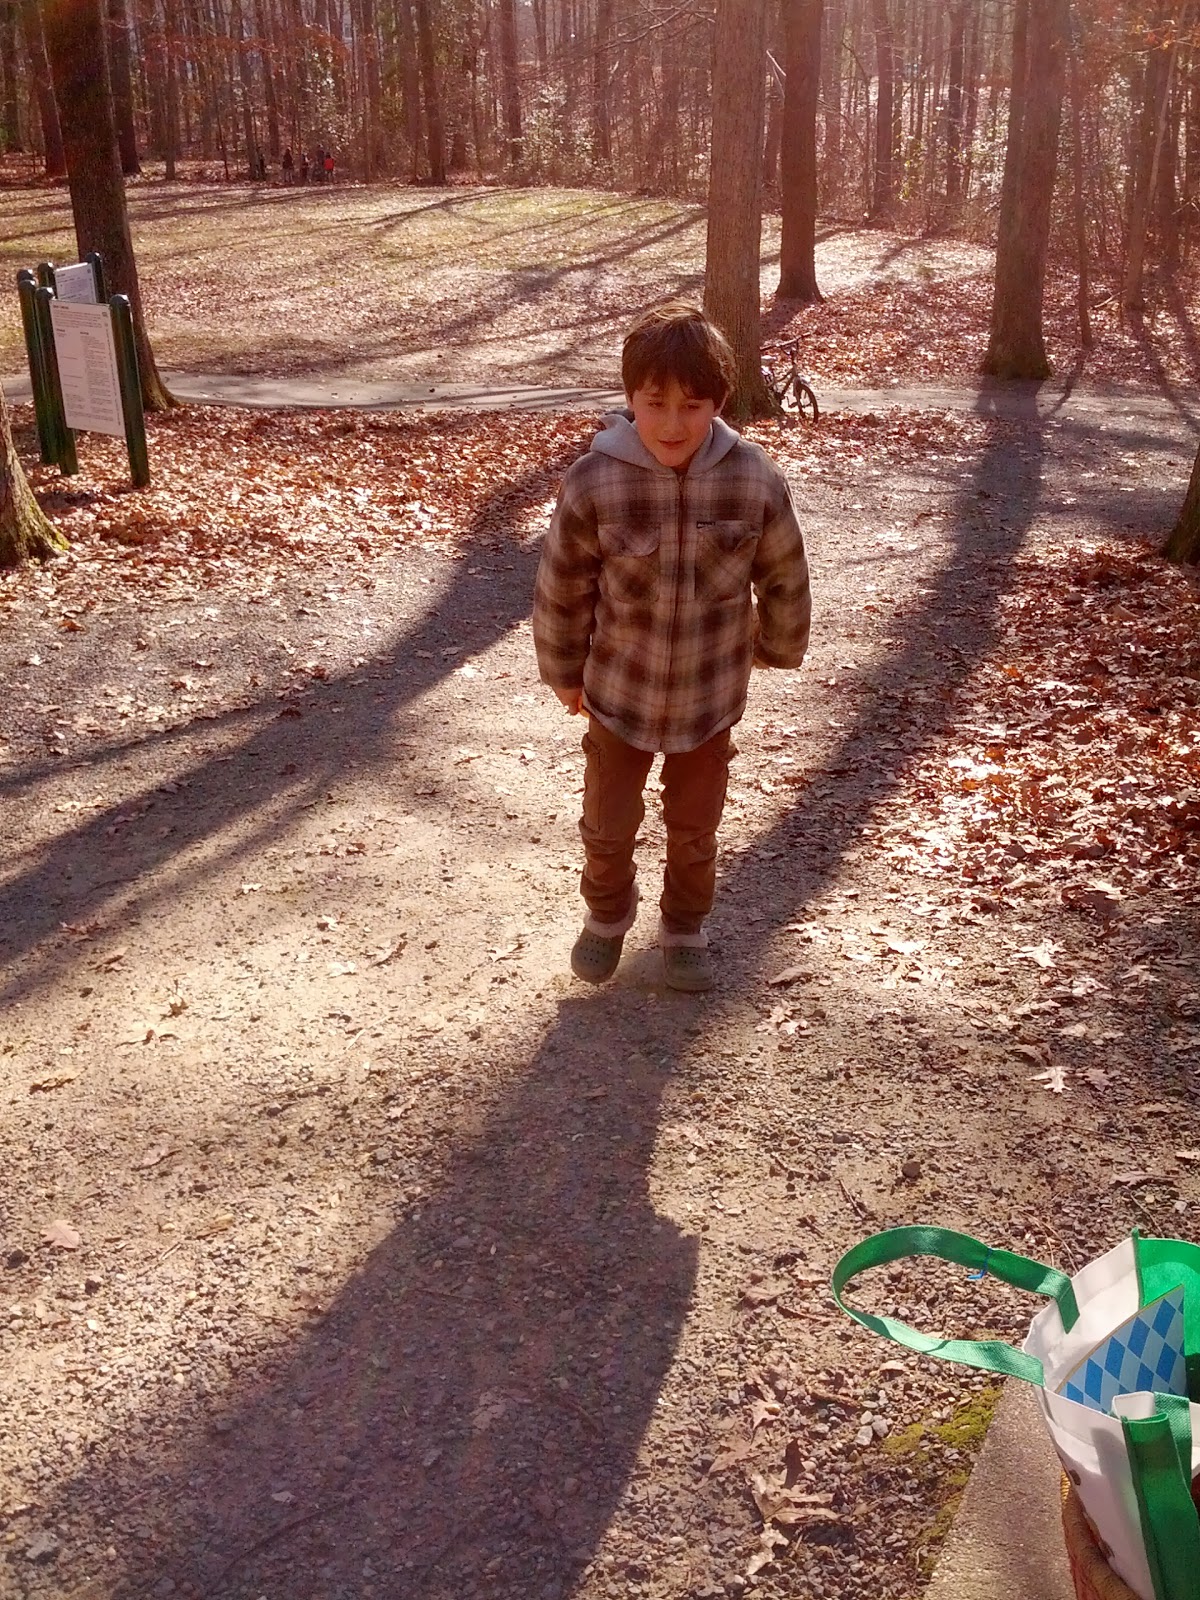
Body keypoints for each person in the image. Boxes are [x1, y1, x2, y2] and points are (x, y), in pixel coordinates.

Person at [533, 302, 811, 992]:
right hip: (617, 694)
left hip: (708, 699)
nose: (672, 424)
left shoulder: (753, 477)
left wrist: (777, 646)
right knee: (607, 824)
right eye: (655, 403)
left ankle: (685, 927)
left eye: (692, 405)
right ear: (631, 398)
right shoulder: (595, 480)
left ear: (719, 401)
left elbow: (784, 570)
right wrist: (564, 672)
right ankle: (607, 914)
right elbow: (562, 583)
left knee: (694, 830)